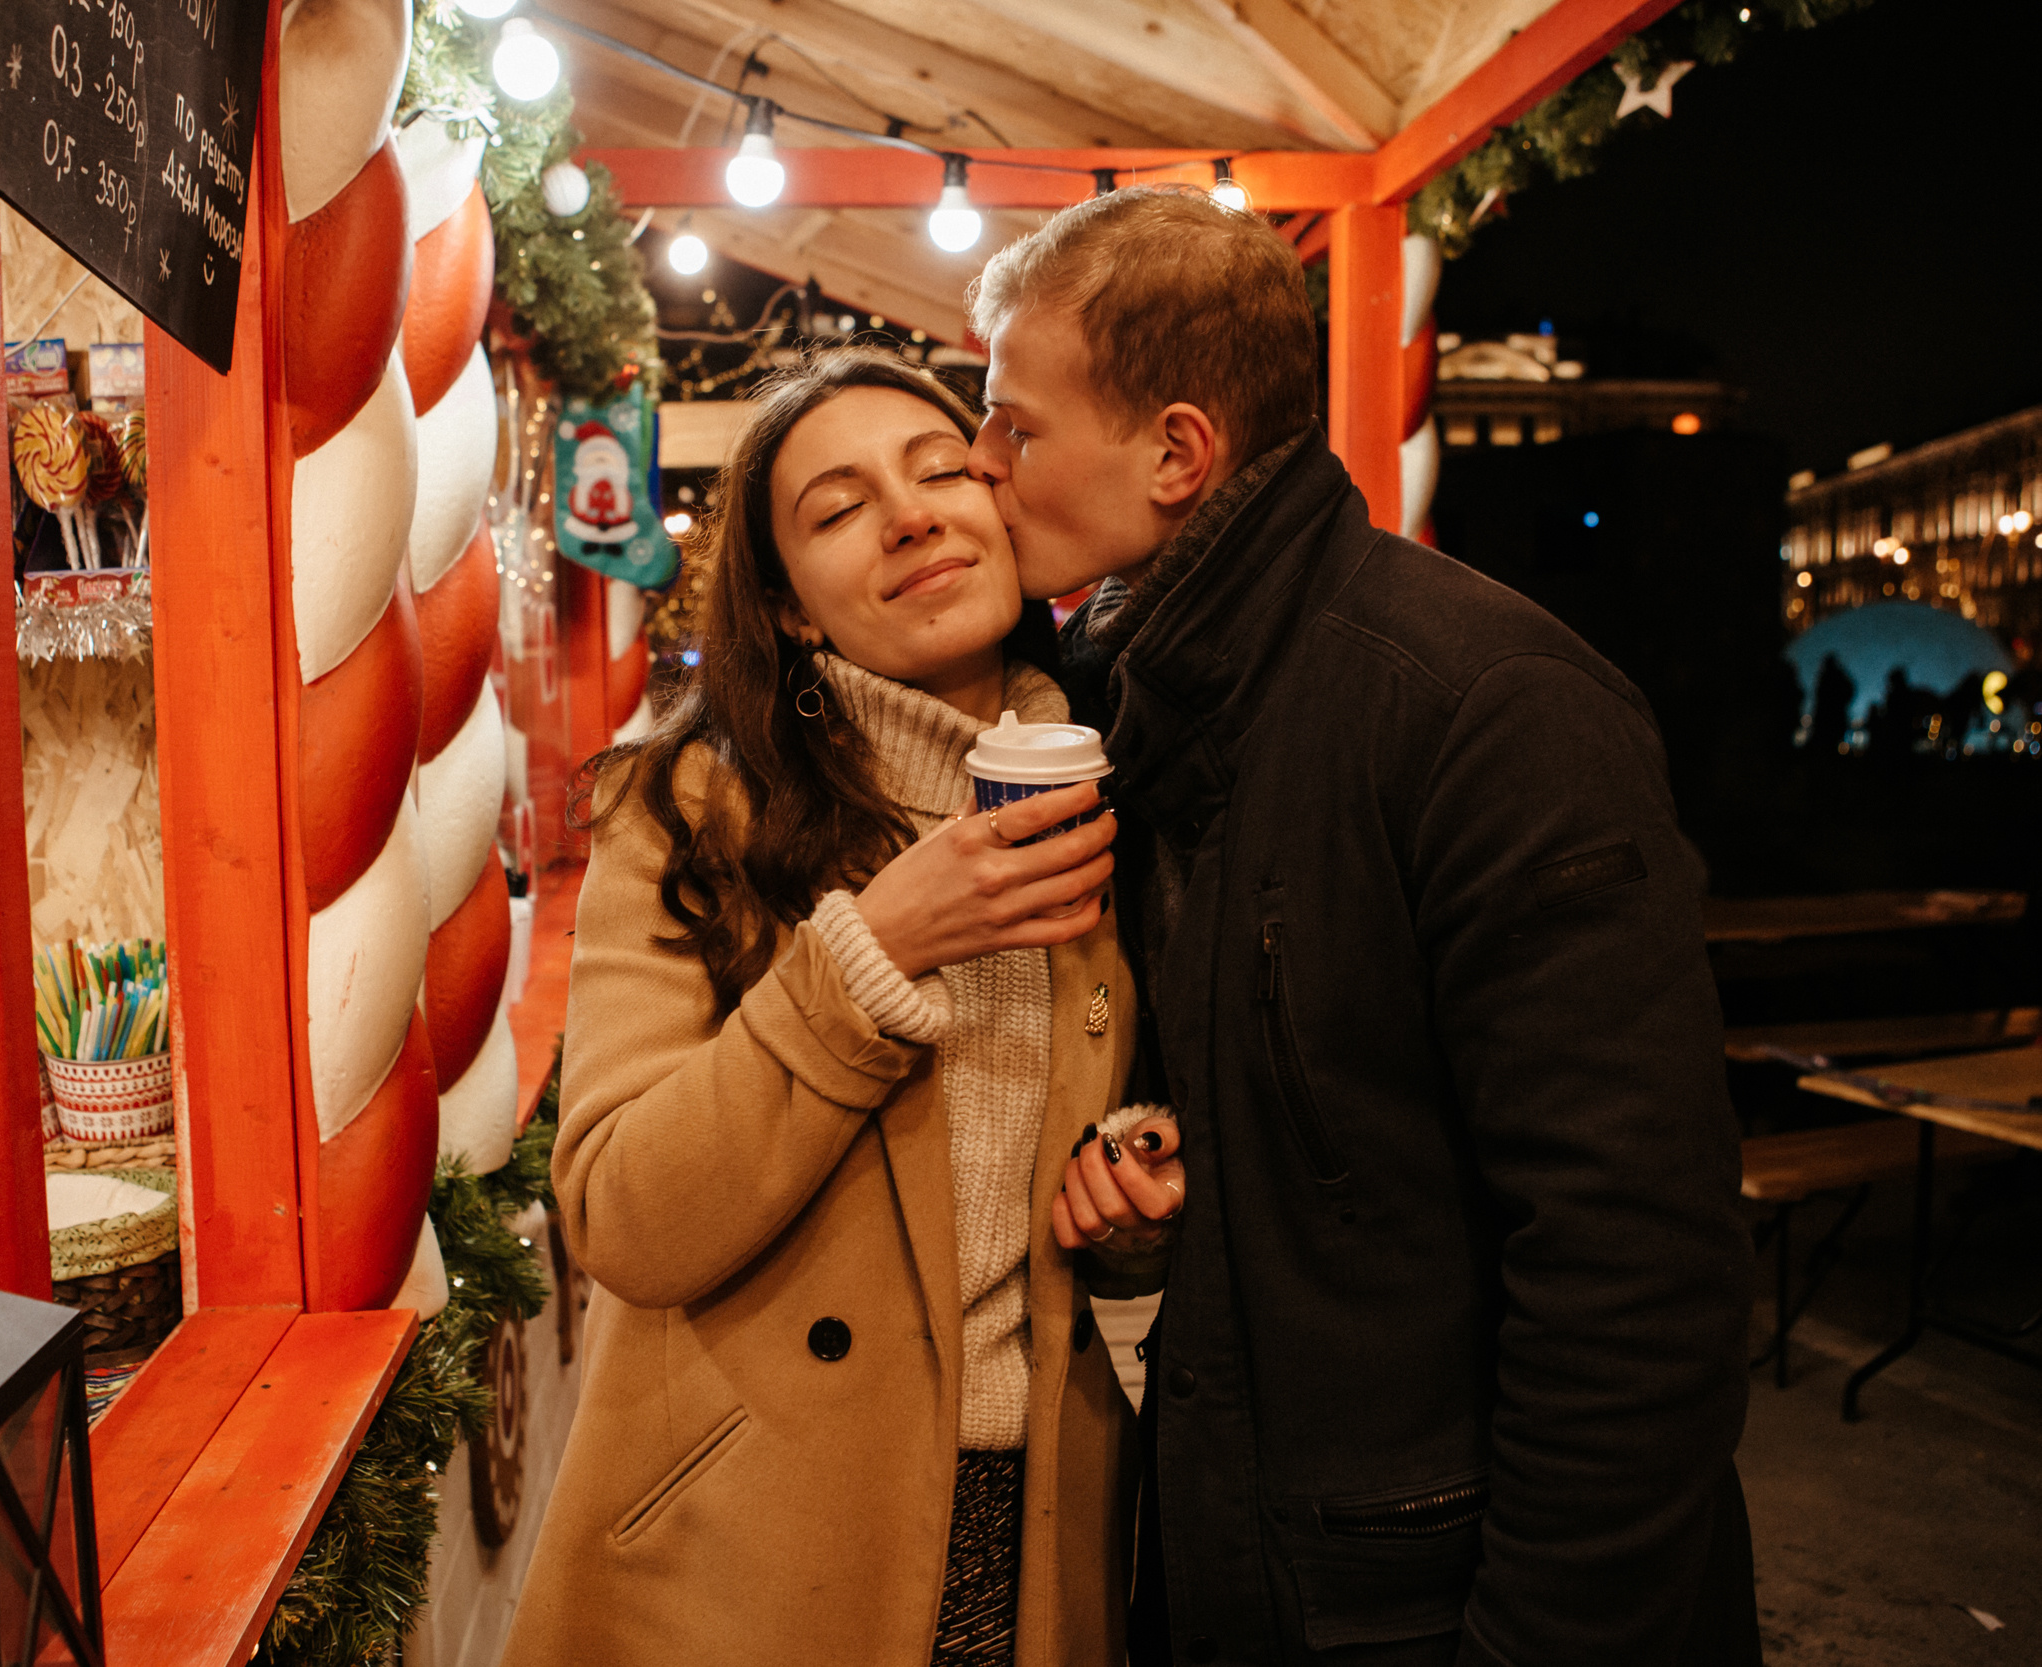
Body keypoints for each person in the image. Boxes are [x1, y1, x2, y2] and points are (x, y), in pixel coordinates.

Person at [968, 188, 1759, 1667]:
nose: (979, 461)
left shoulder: (1487, 711)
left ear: (1177, 452)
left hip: (1437, 1600)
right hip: (1265, 1567)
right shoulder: (1127, 704)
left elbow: (1637, 1277)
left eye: (1015, 424)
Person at [503, 348, 1175, 1667]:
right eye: (839, 508)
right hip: (759, 1538)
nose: (911, 516)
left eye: (943, 472)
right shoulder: (689, 811)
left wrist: (1137, 1206)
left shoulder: (1121, 789)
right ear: (790, 607)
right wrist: (872, 951)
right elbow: (622, 1216)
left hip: (1043, 1523)